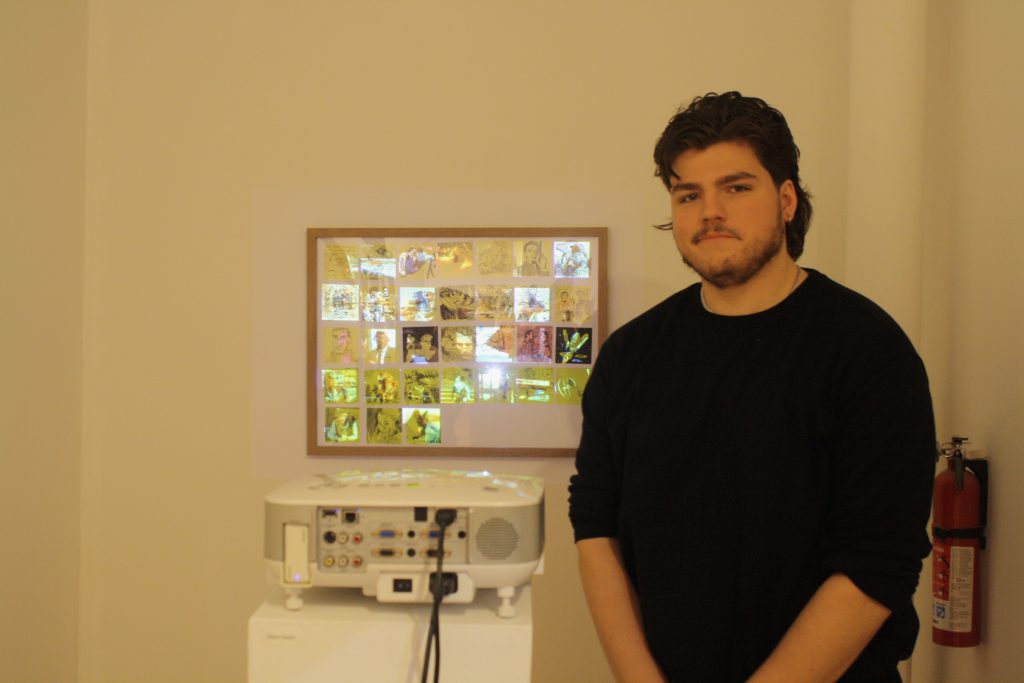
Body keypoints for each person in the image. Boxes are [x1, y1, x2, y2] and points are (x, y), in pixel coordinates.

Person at [568, 92, 935, 683]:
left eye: (737, 187)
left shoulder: (866, 351)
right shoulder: (632, 355)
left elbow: (877, 559)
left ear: (786, 200)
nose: (710, 211)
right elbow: (595, 522)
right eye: (689, 194)